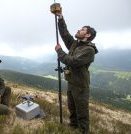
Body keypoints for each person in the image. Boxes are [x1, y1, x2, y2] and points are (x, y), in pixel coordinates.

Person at [51, 4, 98, 134]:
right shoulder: (75, 45)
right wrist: (60, 17)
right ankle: (73, 128)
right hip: (72, 82)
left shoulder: (89, 50)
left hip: (81, 86)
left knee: (82, 112)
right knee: (72, 108)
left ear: (87, 35)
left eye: (82, 29)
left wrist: (60, 51)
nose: (79, 30)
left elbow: (74, 62)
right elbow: (65, 35)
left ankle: (83, 131)